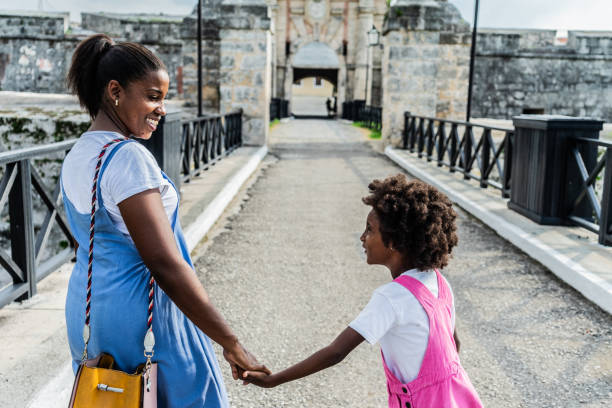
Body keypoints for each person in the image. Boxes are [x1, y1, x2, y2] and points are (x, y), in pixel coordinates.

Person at [61, 34, 268, 407]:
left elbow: (89, 240)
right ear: (115, 91)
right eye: (153, 96)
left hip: (89, 315)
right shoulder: (128, 158)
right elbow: (164, 263)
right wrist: (231, 342)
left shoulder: (79, 153)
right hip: (144, 321)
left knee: (111, 399)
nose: (163, 109)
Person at [243, 175, 483, 407]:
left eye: (369, 229)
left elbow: (336, 352)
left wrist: (273, 381)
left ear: (393, 242)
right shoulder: (440, 284)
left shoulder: (391, 298)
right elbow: (454, 344)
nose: (362, 237)